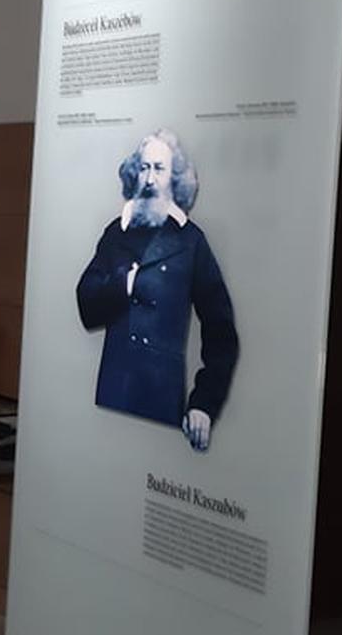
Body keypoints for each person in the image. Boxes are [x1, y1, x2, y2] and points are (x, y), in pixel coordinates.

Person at [76, 129, 238, 453]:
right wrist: (126, 281)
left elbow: (221, 332)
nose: (150, 179)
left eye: (159, 169)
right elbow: (87, 307)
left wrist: (204, 403)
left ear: (174, 178)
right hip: (114, 394)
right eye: (144, 168)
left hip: (160, 397)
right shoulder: (116, 233)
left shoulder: (191, 242)